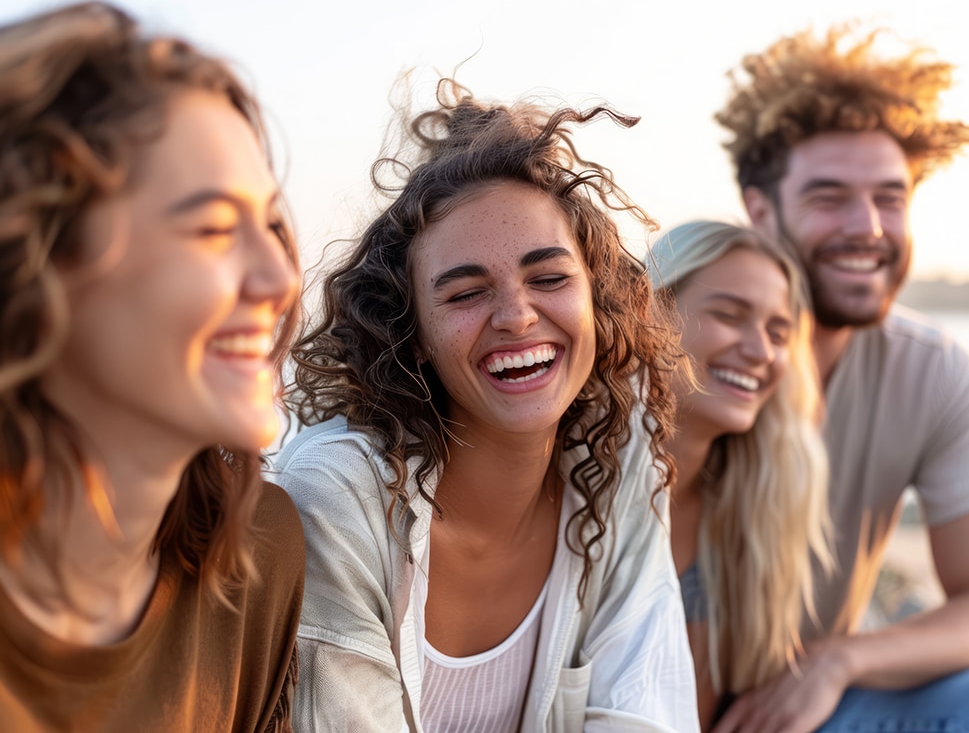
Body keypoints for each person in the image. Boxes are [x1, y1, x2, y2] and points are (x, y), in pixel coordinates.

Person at [273, 80, 699, 732]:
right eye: (466, 293)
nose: (517, 315)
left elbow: (646, 712)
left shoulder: (618, 459)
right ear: (409, 334)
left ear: (597, 299)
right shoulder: (337, 496)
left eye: (550, 277)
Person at [0, 1, 305, 732]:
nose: (280, 279)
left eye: (271, 225)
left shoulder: (262, 556)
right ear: (35, 261)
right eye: (213, 228)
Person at [712, 24, 969, 732]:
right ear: (759, 211)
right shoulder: (682, 358)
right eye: (830, 196)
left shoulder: (933, 373)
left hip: (816, 708)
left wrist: (840, 661)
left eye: (890, 198)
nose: (867, 226)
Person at [646, 221, 833, 730]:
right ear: (649, 314)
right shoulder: (568, 480)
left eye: (778, 333)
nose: (761, 351)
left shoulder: (745, 511)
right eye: (729, 315)